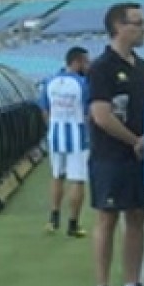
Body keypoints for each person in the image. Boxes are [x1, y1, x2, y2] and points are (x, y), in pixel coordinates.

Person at [87, 2, 144, 286]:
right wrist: (135, 141)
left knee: (137, 217)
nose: (143, 28)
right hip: (110, 157)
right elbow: (101, 115)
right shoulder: (101, 67)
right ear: (119, 27)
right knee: (107, 218)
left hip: (139, 158)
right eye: (137, 23)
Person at [40, 46, 90, 237]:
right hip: (77, 138)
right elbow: (88, 113)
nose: (88, 66)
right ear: (77, 62)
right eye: (86, 62)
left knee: (57, 176)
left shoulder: (50, 81)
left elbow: (44, 109)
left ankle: (53, 220)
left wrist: (52, 127)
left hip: (55, 136)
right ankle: (73, 224)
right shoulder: (83, 84)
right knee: (77, 179)